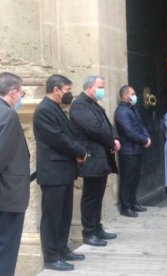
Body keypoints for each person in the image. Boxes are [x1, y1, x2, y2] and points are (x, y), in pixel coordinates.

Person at [33, 74, 88, 271]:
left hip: (63, 170)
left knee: (64, 214)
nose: (69, 94)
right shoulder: (44, 110)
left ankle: (62, 249)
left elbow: (67, 135)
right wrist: (79, 151)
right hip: (53, 171)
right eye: (67, 90)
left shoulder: (56, 108)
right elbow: (57, 138)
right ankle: (51, 256)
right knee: (52, 216)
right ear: (56, 90)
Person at [69, 75, 119, 247]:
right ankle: (89, 232)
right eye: (100, 87)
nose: (102, 90)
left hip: (101, 156)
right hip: (91, 157)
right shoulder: (79, 105)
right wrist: (111, 142)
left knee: (98, 195)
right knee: (91, 196)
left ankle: (97, 228)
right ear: (89, 87)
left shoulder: (93, 104)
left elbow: (106, 124)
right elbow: (94, 129)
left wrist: (115, 138)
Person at [0, 72, 30, 276]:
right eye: (22, 93)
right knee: (6, 252)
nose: (22, 97)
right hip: (8, 196)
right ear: (13, 93)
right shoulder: (8, 115)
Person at [115, 85, 151, 218]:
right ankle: (125, 206)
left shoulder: (132, 108)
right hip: (128, 150)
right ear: (125, 95)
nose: (135, 96)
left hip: (136, 149)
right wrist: (143, 140)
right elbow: (128, 131)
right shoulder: (122, 111)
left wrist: (146, 137)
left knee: (135, 178)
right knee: (127, 179)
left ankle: (133, 201)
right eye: (132, 93)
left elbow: (140, 125)